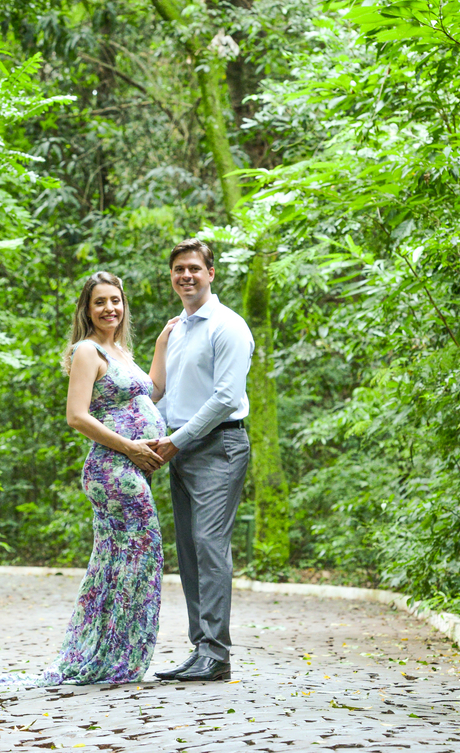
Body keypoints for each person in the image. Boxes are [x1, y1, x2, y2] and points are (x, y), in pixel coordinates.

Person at [0, 271, 175, 687]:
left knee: (120, 562)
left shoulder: (120, 351)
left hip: (129, 468)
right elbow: (76, 416)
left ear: (124, 305)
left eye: (116, 300)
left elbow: (153, 391)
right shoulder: (87, 350)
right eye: (100, 302)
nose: (110, 308)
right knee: (138, 555)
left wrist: (163, 341)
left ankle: (110, 653)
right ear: (87, 310)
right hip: (111, 469)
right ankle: (111, 655)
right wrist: (130, 447)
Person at [147, 239, 254, 682]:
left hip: (218, 446)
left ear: (211, 273)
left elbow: (226, 398)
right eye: (178, 269)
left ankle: (216, 654)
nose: (186, 275)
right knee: (190, 551)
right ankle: (201, 649)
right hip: (181, 449)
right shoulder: (177, 329)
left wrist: (176, 441)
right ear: (171, 277)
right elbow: (166, 394)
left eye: (194, 267)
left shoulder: (228, 326)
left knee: (210, 546)